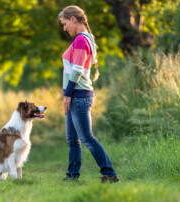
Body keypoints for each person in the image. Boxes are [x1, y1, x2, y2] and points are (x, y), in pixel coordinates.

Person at [58, 5, 120, 183]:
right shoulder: (85, 39)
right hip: (76, 95)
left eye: (65, 24)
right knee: (73, 140)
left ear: (73, 19)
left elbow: (77, 71)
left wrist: (67, 95)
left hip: (78, 96)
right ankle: (72, 176)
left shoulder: (80, 40)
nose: (64, 28)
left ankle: (110, 174)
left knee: (86, 138)